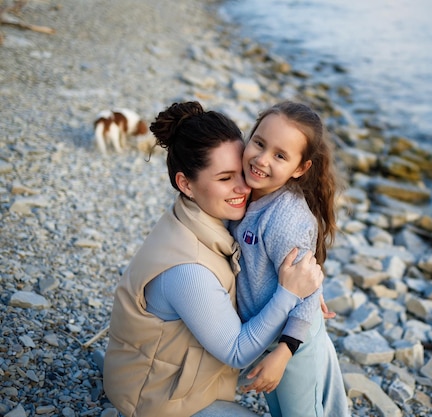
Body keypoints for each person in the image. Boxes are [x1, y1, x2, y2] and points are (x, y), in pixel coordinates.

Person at [102, 101, 324, 417]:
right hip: (161, 401)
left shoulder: (197, 218)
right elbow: (236, 352)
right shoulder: (187, 269)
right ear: (185, 184)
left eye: (241, 172)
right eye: (225, 178)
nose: (243, 187)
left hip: (180, 379)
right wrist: (290, 294)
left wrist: (308, 287)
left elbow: (275, 251)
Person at [231, 101, 350, 416]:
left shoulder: (285, 219)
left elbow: (307, 291)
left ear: (300, 168)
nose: (261, 159)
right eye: (259, 143)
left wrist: (284, 352)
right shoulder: (243, 191)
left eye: (279, 155)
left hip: (292, 340)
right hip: (267, 332)